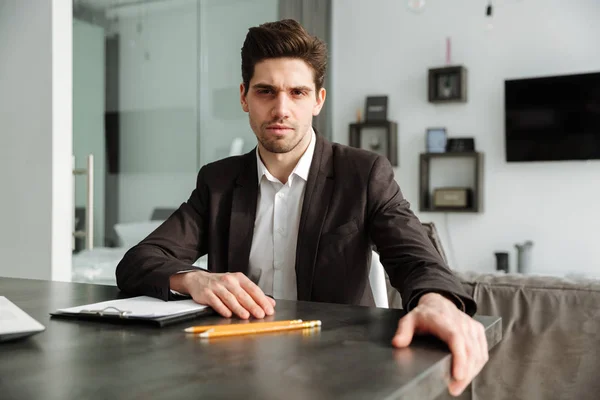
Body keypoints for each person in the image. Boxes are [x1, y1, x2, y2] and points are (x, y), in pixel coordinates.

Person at [115, 19, 488, 397]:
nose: (281, 109)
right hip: (235, 371)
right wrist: (194, 278)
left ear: (317, 101)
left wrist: (438, 302)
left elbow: (417, 259)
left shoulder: (363, 173)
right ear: (244, 97)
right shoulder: (218, 181)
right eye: (266, 92)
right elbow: (140, 260)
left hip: (340, 372)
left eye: (297, 92)